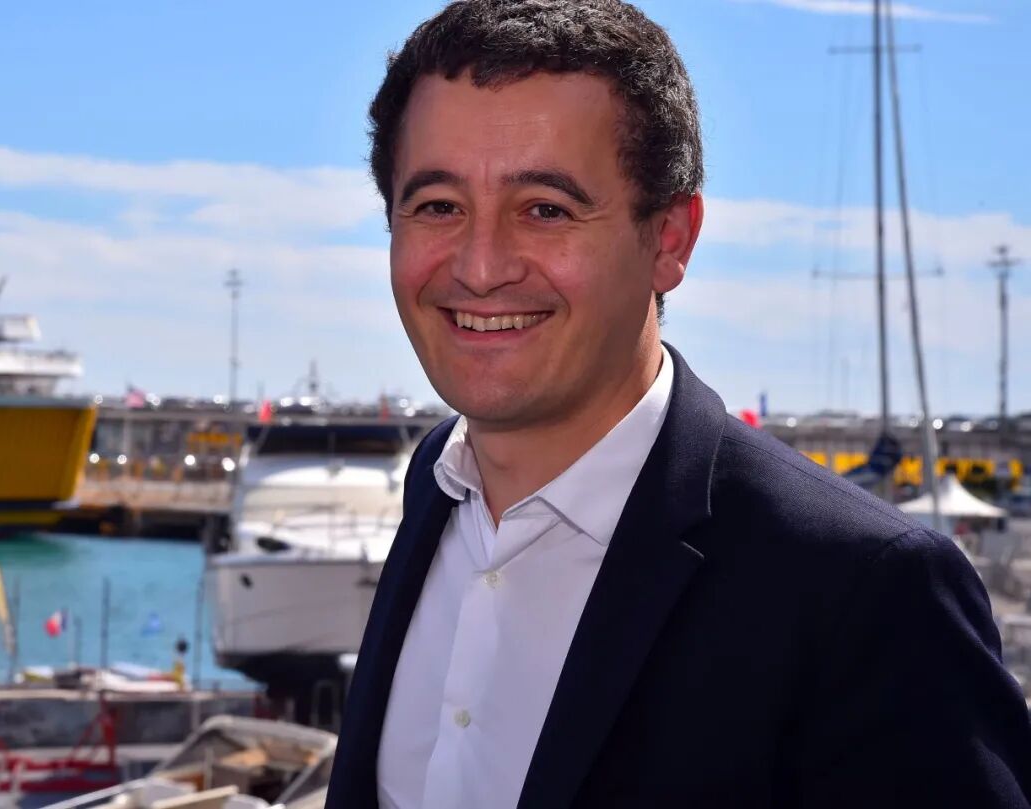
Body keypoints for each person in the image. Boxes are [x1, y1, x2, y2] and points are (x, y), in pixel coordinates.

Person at [326, 1, 1031, 807]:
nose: (481, 267)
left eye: (546, 209)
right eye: (438, 206)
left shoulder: (865, 592)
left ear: (669, 239)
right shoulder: (434, 487)